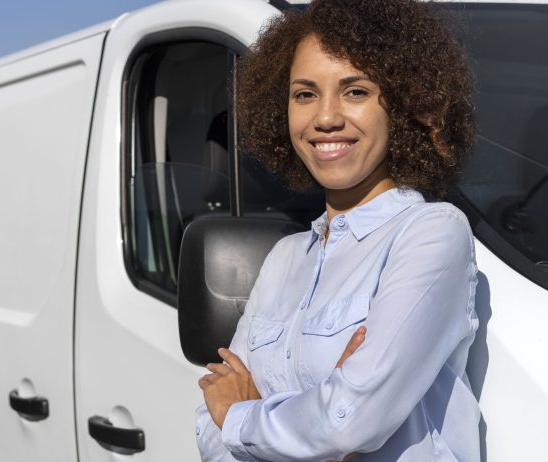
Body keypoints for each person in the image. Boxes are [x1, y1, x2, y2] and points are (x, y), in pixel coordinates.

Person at [195, 0, 479, 460]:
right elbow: (209, 424)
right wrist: (311, 421)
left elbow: (349, 421)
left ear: (404, 105)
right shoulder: (286, 258)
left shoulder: (431, 234)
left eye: (355, 92)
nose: (325, 117)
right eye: (305, 94)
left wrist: (246, 416)